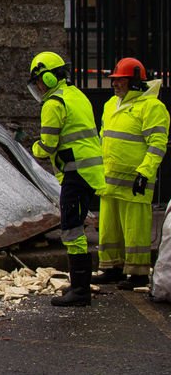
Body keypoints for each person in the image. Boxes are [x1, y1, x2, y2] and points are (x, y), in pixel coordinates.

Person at [27, 51, 105, 307]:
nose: (38, 85)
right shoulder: (75, 95)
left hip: (76, 172)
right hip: (88, 170)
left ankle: (81, 290)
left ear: (48, 78)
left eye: (38, 80)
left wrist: (33, 148)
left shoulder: (53, 104)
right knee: (76, 225)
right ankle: (78, 284)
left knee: (72, 229)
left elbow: (47, 145)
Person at [92, 57, 168, 291]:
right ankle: (112, 267)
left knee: (135, 229)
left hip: (135, 180)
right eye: (114, 80)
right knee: (109, 228)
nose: (115, 85)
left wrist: (144, 172)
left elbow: (157, 144)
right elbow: (104, 138)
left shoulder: (152, 107)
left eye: (120, 81)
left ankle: (137, 273)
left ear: (134, 82)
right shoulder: (111, 105)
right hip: (110, 179)